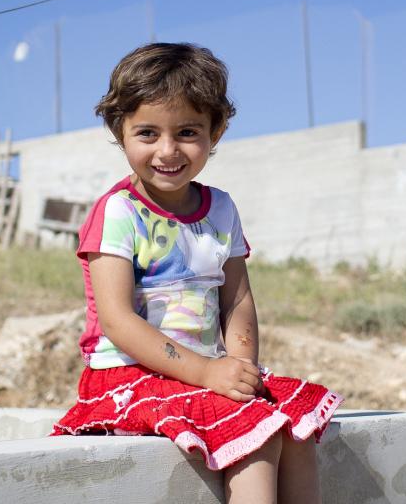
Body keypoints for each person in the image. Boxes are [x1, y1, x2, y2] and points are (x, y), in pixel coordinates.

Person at [52, 42, 340, 503]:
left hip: (201, 372)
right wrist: (208, 373)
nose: (168, 150)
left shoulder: (220, 208)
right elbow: (118, 322)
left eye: (187, 131)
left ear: (216, 131)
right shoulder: (119, 213)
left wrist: (240, 364)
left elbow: (238, 299)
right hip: (129, 376)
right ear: (119, 131)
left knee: (294, 423)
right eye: (147, 133)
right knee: (256, 427)